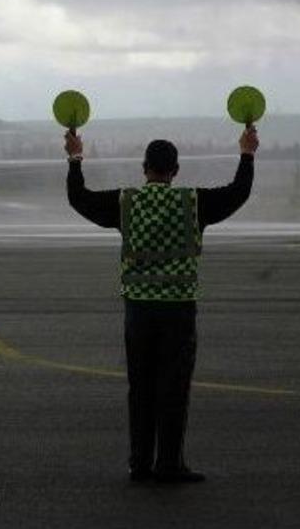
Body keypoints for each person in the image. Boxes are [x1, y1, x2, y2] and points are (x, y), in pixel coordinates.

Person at [64, 125, 258, 483]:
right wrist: (247, 153)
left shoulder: (126, 203)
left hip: (138, 310)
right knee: (174, 388)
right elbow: (238, 192)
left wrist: (75, 157)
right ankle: (169, 463)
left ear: (144, 168)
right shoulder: (193, 203)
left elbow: (79, 198)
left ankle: (139, 462)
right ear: (176, 170)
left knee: (140, 387)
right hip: (178, 310)